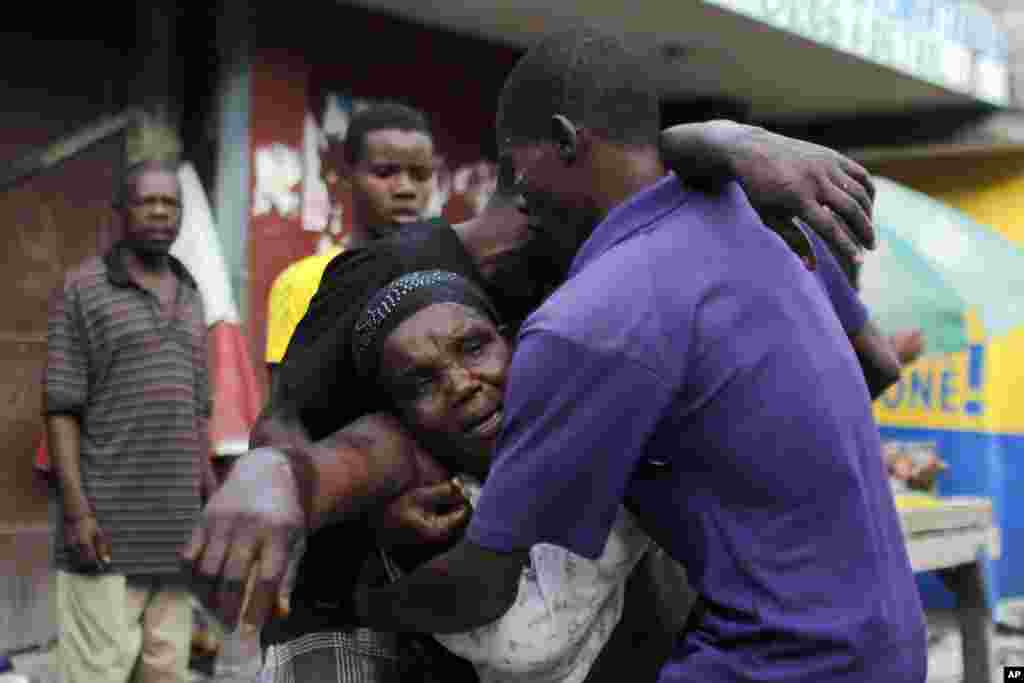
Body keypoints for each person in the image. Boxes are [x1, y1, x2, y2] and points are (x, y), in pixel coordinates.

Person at [185, 114, 886, 676]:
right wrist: (274, 476)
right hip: (354, 625)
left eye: (478, 349)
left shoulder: (585, 320)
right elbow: (300, 434)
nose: (463, 380)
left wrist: (733, 140)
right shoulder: (393, 281)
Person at [344, 27, 927, 682]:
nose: (517, 196)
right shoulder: (762, 216)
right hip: (892, 643)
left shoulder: (581, 322)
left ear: (564, 140)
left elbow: (485, 587)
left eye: (516, 166)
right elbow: (876, 363)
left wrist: (366, 604)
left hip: (776, 661)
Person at [45, 160, 216, 683]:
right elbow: (60, 407)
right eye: (149, 202)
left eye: (172, 204)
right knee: (95, 675)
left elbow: (196, 413)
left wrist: (210, 505)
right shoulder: (85, 289)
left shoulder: (190, 294)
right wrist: (76, 513)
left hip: (176, 538)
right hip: (104, 535)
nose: (162, 213)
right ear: (121, 211)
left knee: (166, 675)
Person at [264, 102, 436, 389]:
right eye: (384, 172)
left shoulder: (450, 276)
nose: (406, 189)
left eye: (420, 175)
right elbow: (283, 414)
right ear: (347, 177)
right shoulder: (302, 284)